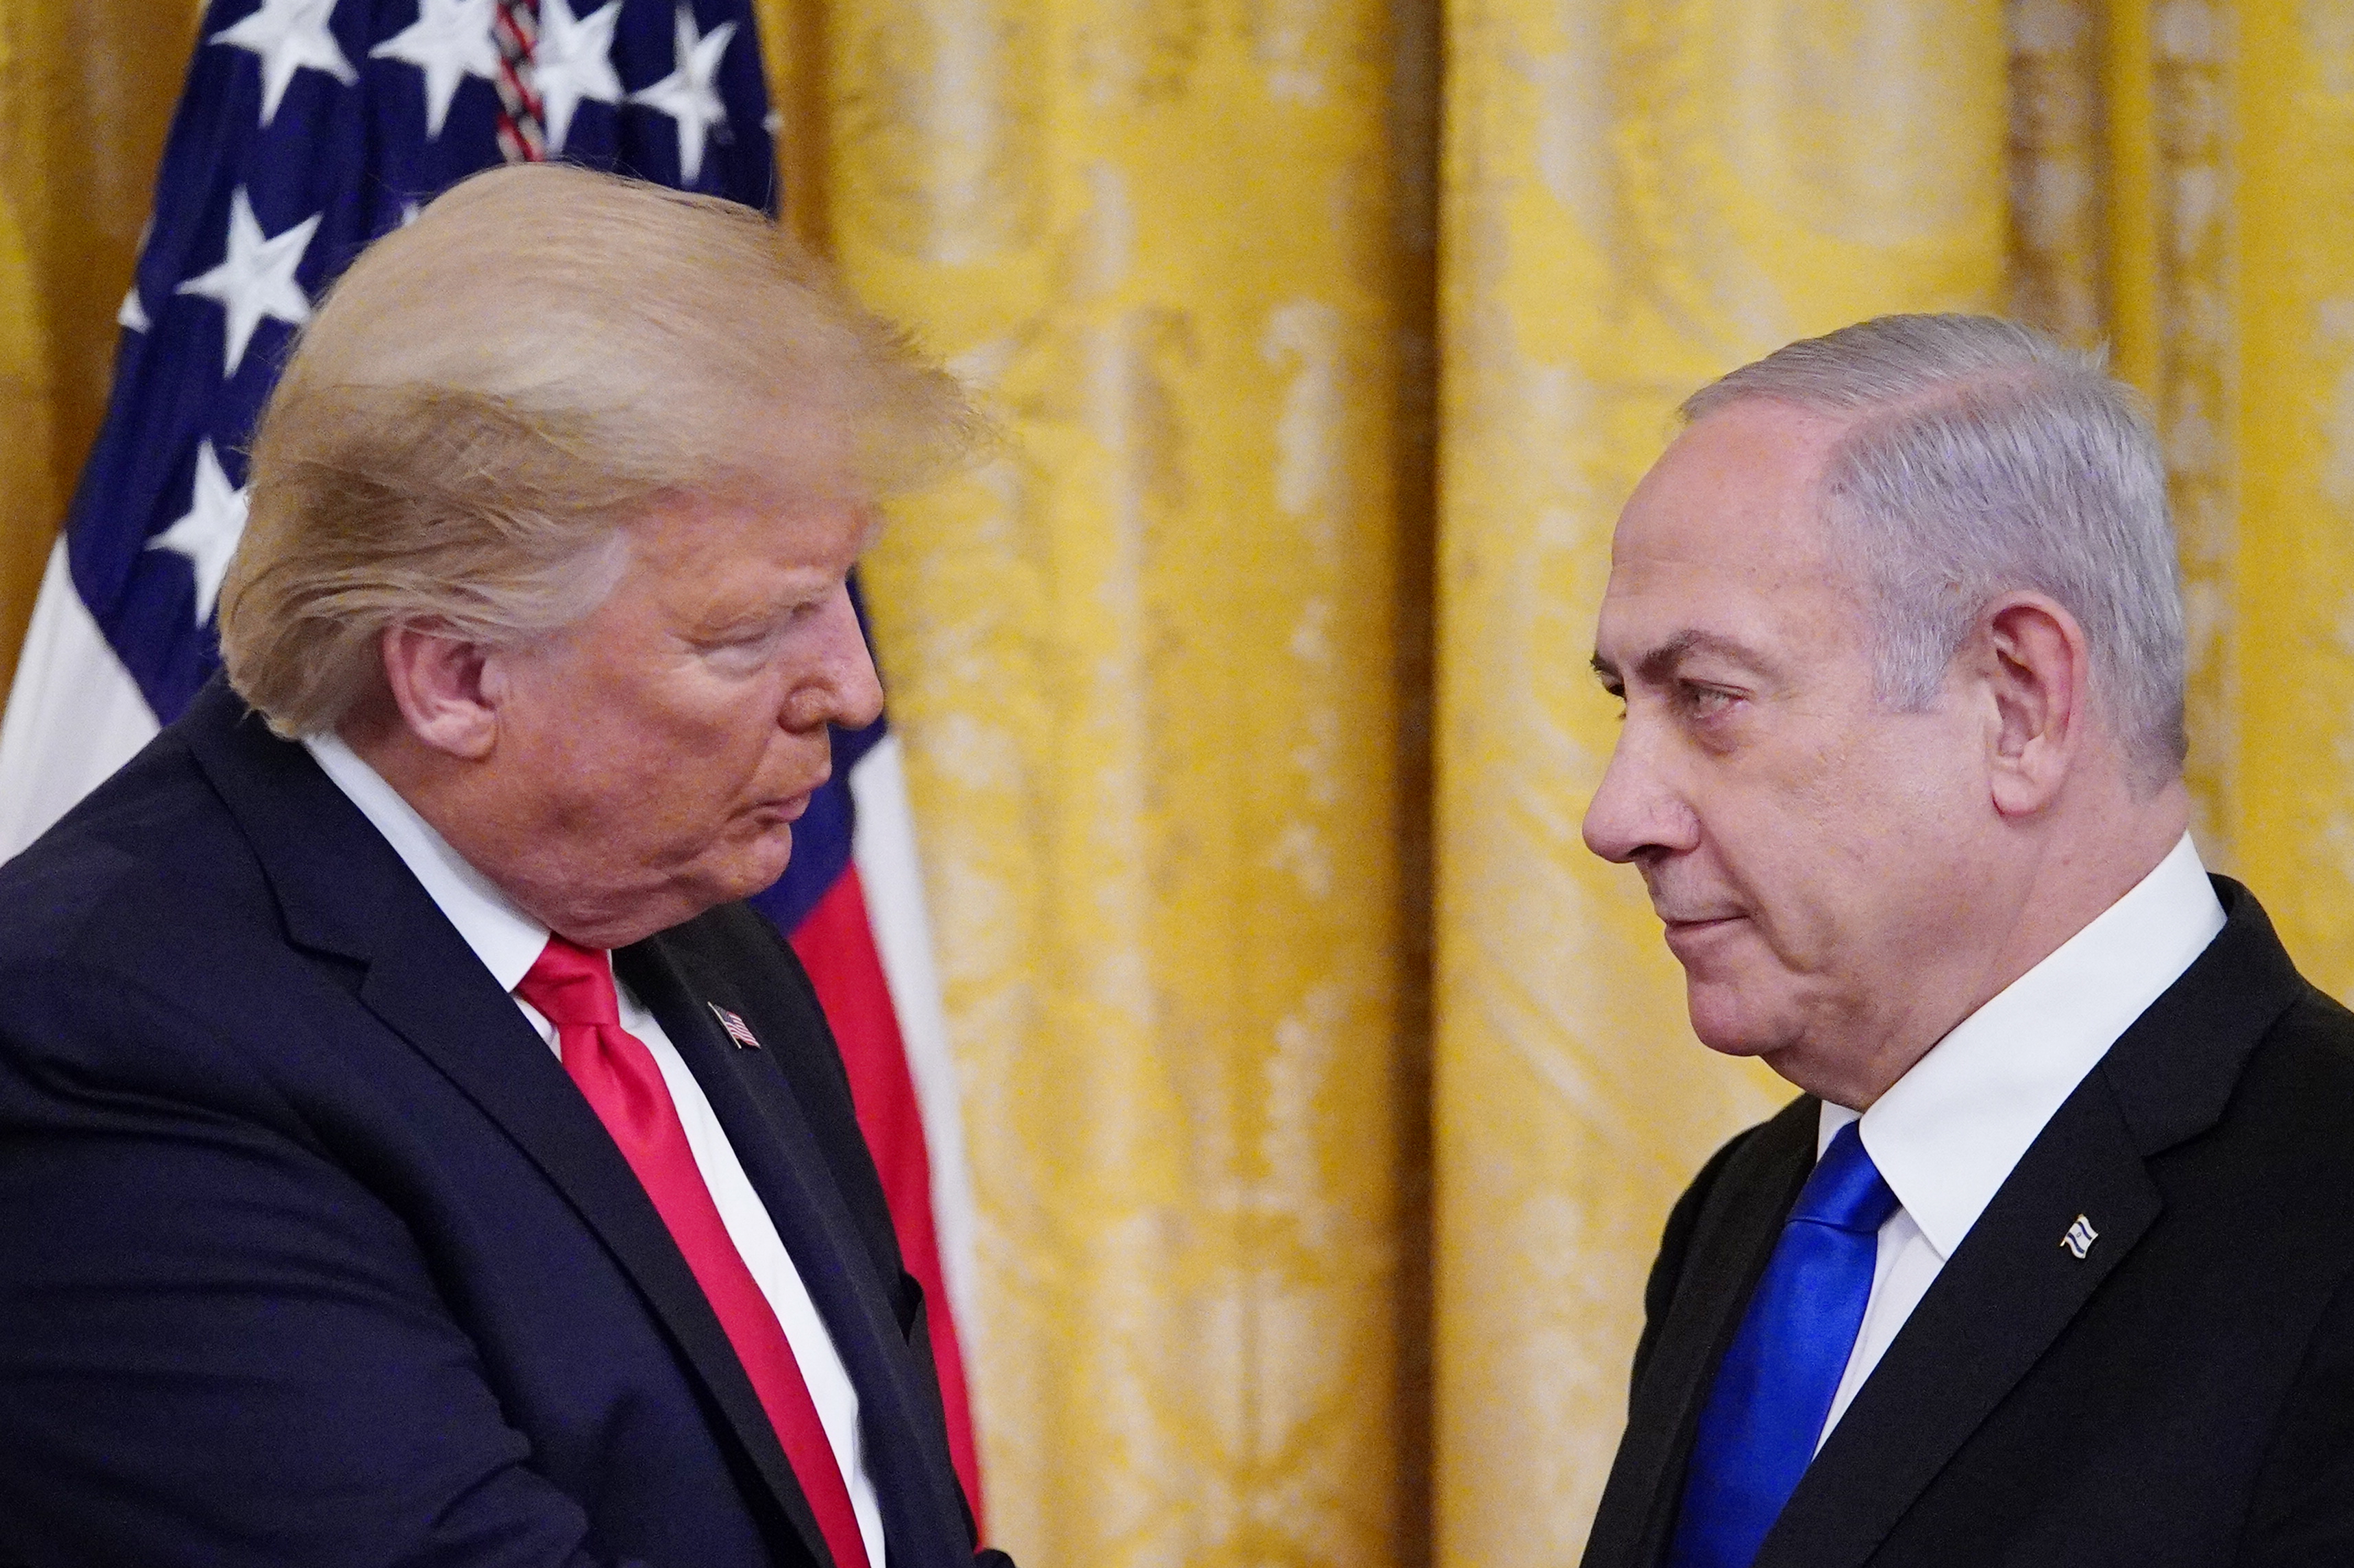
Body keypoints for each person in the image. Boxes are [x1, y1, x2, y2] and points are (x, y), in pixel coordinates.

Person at [0, 164, 1005, 1568]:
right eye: (750, 631)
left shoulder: (695, 925)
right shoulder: (101, 1041)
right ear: (459, 675)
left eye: (840, 591)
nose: (850, 686)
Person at [1576, 314, 2354, 1568]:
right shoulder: (1743, 1213)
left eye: (1708, 698)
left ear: (2020, 703)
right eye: (1626, 702)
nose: (1616, 817)